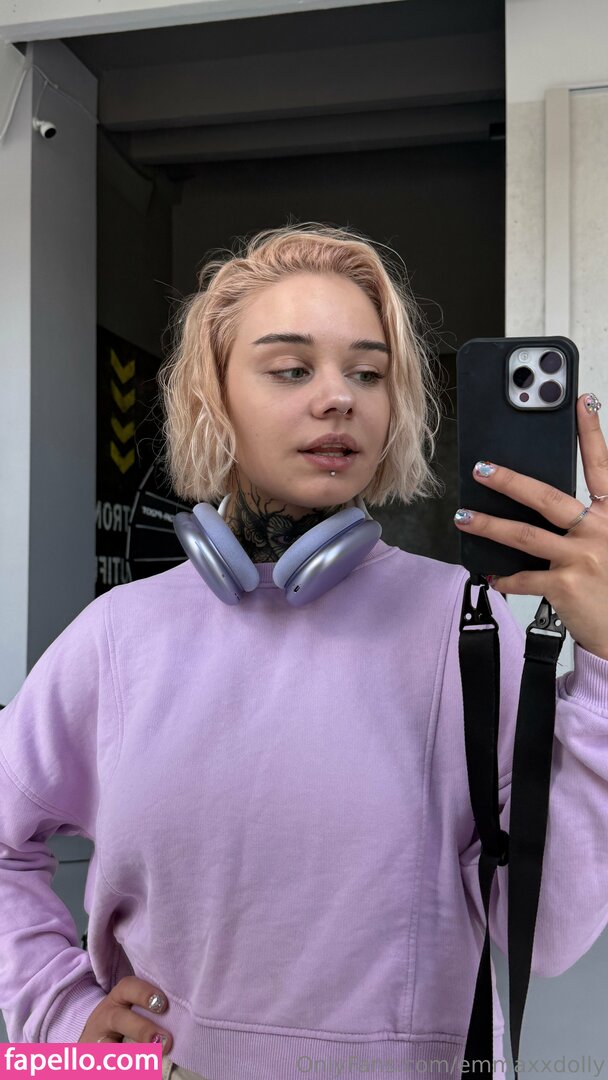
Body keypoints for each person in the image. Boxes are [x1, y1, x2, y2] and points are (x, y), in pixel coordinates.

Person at [1, 223, 608, 1080]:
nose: (339, 398)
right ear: (213, 396)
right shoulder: (115, 637)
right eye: (291, 369)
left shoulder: (465, 624)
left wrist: (607, 664)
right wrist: (60, 1019)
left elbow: (546, 939)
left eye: (368, 373)